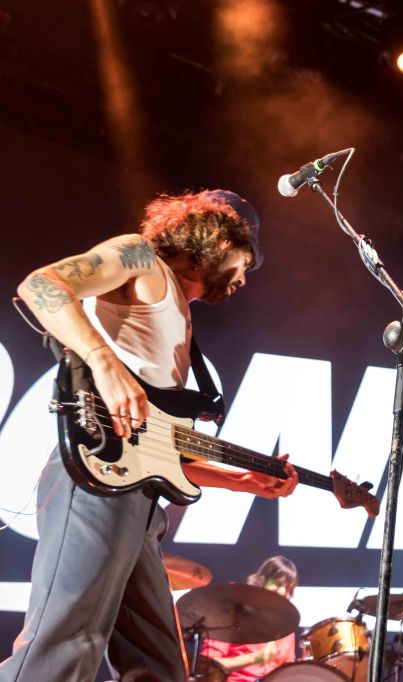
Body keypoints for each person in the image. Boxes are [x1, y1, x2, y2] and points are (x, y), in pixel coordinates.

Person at [0, 190, 302, 681]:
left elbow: (158, 448)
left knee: (160, 668)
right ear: (219, 237)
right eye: (245, 261)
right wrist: (103, 361)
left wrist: (242, 481)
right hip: (99, 480)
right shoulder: (139, 256)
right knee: (64, 649)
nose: (244, 277)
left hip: (137, 499)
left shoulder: (180, 317)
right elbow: (41, 285)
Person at [201, 556, 300, 680]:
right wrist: (254, 658)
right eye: (278, 584)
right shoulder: (233, 614)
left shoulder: (286, 628)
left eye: (288, 589)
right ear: (262, 581)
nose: (282, 592)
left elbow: (288, 672)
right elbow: (208, 667)